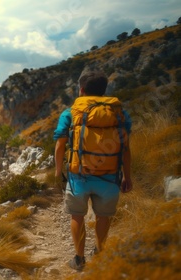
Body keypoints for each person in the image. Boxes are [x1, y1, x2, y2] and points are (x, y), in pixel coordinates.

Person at [54, 70, 133, 271]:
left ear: (81, 90)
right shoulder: (119, 113)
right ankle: (100, 253)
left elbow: (60, 145)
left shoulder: (71, 112)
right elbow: (125, 147)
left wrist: (57, 172)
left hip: (78, 176)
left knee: (77, 216)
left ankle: (79, 259)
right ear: (104, 91)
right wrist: (127, 176)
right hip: (109, 176)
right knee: (103, 216)